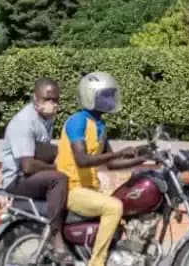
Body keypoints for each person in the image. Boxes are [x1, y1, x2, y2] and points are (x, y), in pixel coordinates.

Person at [56, 72, 147, 266]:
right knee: (114, 207)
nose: (110, 99)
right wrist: (118, 153)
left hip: (90, 188)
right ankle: (97, 262)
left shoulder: (100, 125)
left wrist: (144, 157)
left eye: (111, 95)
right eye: (105, 95)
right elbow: (82, 160)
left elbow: (112, 164)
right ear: (90, 96)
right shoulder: (77, 122)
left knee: (126, 202)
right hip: (71, 188)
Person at [0, 77, 69, 259]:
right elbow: (28, 165)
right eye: (47, 99)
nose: (52, 104)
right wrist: (55, 167)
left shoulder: (46, 120)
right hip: (17, 179)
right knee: (59, 178)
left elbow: (43, 150)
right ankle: (55, 234)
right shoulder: (24, 121)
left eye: (55, 100)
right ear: (35, 99)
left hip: (29, 176)